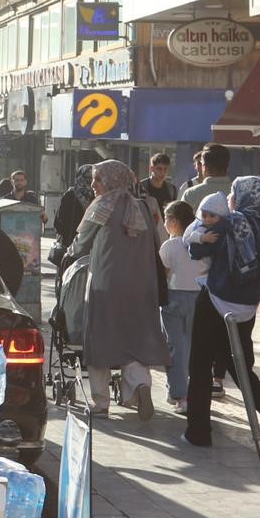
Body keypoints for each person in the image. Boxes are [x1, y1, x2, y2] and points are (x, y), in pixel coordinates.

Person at [183, 180, 260, 449]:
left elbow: (197, 250)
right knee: (240, 367)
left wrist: (196, 238)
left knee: (200, 366)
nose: (231, 199)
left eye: (235, 194)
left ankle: (198, 431)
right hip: (246, 310)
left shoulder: (229, 222)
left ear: (243, 198)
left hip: (214, 303)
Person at [62, 160, 170, 420]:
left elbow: (82, 242)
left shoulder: (102, 205)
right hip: (142, 286)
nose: (93, 185)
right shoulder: (142, 206)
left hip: (105, 284)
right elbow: (157, 242)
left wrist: (68, 254)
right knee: (133, 338)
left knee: (100, 339)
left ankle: (101, 403)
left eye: (97, 179)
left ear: (110, 181)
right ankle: (140, 385)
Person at [159, 200, 203, 414]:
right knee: (194, 348)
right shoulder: (201, 243)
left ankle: (179, 394)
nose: (164, 223)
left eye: (166, 218)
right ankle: (194, 393)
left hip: (174, 299)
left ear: (174, 221)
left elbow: (164, 276)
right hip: (200, 299)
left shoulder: (170, 246)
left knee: (175, 348)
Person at [181, 142, 233, 209]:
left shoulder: (191, 194)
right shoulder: (238, 193)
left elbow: (181, 218)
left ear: (205, 167)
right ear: (228, 167)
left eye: (201, 163)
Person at [54, 165, 94, 251]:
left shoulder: (98, 196)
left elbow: (58, 222)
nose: (90, 181)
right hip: (74, 243)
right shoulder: (70, 195)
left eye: (93, 177)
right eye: (87, 177)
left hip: (76, 241)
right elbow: (59, 220)